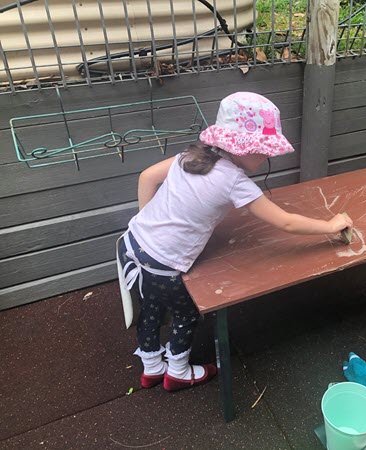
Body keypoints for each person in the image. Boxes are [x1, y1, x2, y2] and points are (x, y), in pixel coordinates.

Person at [118, 92, 353, 392]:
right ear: (240, 147)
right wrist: (331, 226)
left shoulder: (190, 155)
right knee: (186, 314)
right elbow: (286, 222)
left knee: (150, 307)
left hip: (132, 244)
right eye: (262, 149)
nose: (267, 156)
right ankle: (177, 371)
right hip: (164, 264)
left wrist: (149, 228)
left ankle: (151, 366)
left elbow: (146, 178)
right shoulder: (233, 180)